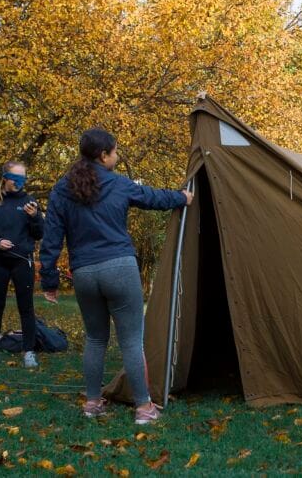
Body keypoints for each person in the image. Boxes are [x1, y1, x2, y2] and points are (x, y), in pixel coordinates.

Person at [39, 127, 192, 424]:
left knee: (95, 339)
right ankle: (144, 408)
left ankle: (92, 403)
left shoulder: (61, 189)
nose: (117, 156)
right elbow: (152, 198)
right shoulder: (118, 183)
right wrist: (181, 197)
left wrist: (49, 280)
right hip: (119, 268)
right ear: (103, 155)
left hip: (84, 273)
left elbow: (52, 237)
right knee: (132, 341)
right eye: (115, 152)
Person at [0, 161, 43, 368]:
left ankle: (29, 352)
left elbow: (40, 233)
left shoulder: (30, 202)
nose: (19, 183)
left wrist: (35, 217)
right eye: (15, 178)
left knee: (26, 308)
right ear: (5, 178)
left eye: (23, 178)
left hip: (23, 262)